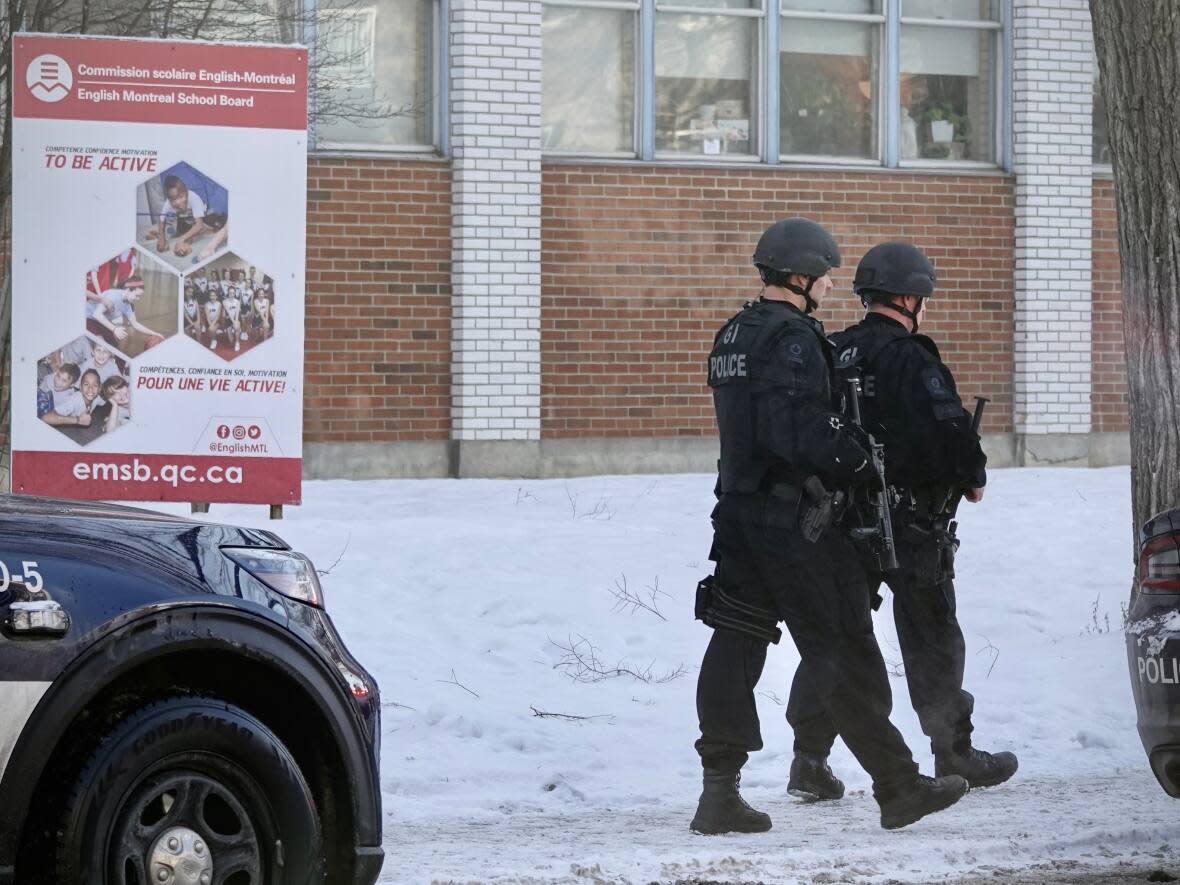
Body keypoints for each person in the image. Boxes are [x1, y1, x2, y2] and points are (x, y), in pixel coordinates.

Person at [691, 218, 969, 836]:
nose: (824, 285)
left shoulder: (734, 332)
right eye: (820, 275)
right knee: (843, 648)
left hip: (737, 512)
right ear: (800, 274)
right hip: (793, 520)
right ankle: (898, 787)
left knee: (736, 644)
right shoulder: (790, 338)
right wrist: (859, 454)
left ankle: (719, 794)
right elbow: (800, 430)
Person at [783, 242, 1019, 802]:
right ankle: (953, 753)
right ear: (910, 296)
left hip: (845, 521)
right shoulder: (912, 357)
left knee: (838, 639)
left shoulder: (834, 349)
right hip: (912, 525)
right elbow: (947, 434)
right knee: (932, 635)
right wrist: (972, 471)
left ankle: (808, 759)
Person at [85, 276, 162, 350]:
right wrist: (114, 329)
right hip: (87, 318)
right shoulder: (114, 296)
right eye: (137, 296)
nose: (138, 299)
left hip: (99, 321)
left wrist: (155, 333)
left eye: (139, 296)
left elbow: (135, 324)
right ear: (128, 290)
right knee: (101, 344)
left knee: (113, 343)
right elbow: (97, 315)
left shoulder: (129, 304)